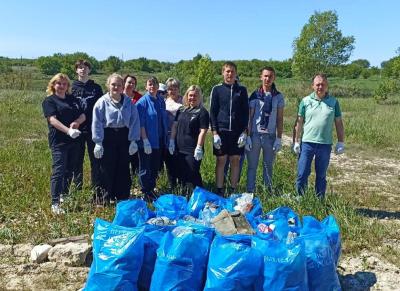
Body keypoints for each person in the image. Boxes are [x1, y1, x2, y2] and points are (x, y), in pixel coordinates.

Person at [92, 73, 140, 205]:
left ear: (122, 87)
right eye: (113, 84)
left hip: (124, 136)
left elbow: (135, 121)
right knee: (106, 167)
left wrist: (134, 140)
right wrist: (98, 142)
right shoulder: (101, 102)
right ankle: (103, 198)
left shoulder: (129, 103)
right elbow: (97, 122)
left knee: (123, 166)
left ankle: (121, 196)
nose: (116, 87)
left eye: (119, 85)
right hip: (107, 136)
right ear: (108, 85)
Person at [294, 73, 345, 197]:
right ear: (313, 86)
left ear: (327, 86)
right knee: (302, 173)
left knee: (321, 175)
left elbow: (338, 122)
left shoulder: (333, 102)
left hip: (325, 144)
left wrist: (341, 141)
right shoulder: (305, 101)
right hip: (307, 143)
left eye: (323, 84)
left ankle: (319, 200)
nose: (320, 87)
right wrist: (296, 141)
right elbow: (299, 122)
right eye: (317, 84)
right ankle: (300, 198)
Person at [42, 73, 85, 214]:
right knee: (59, 170)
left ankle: (63, 195)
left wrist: (77, 122)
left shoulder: (72, 99)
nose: (61, 86)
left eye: (64, 84)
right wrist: (68, 131)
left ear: (68, 86)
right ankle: (54, 202)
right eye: (58, 83)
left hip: (74, 140)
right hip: (59, 141)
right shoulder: (49, 101)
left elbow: (83, 114)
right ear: (53, 85)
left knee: (70, 169)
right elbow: (52, 120)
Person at [210, 61, 249, 196]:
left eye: (232, 71)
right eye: (227, 71)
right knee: (221, 160)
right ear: (223, 73)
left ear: (236, 73)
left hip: (237, 133)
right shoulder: (217, 89)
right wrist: (214, 133)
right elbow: (213, 112)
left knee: (235, 160)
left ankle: (233, 190)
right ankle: (219, 190)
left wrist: (244, 132)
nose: (230, 74)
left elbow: (245, 113)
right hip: (221, 132)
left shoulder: (242, 90)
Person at [245, 66, 285, 194]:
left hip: (270, 136)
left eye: (270, 76)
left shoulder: (278, 97)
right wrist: (248, 136)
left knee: (268, 167)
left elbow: (279, 118)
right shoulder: (255, 95)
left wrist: (279, 138)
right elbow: (250, 117)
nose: (267, 79)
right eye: (265, 76)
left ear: (274, 78)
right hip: (255, 135)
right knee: (252, 166)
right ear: (261, 77)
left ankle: (267, 192)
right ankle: (250, 192)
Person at [71, 60, 103, 191]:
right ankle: (77, 189)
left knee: (96, 160)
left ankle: (97, 189)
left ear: (89, 70)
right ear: (76, 70)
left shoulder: (96, 88)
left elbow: (102, 108)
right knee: (76, 161)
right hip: (77, 129)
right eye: (79, 67)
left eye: (85, 67)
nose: (82, 70)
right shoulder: (72, 87)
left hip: (93, 128)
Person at [169, 85, 209, 189]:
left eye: (195, 95)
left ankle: (199, 196)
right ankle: (184, 196)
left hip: (192, 149)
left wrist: (199, 147)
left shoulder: (202, 112)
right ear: (186, 96)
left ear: (199, 97)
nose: (192, 98)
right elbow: (174, 126)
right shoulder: (181, 109)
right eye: (190, 95)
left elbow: (203, 131)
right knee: (182, 174)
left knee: (192, 174)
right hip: (179, 148)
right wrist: (172, 141)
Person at [136, 76, 168, 202]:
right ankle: (145, 192)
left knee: (155, 166)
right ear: (146, 86)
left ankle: (152, 189)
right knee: (145, 167)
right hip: (146, 141)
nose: (152, 87)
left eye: (154, 84)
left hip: (159, 140)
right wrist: (144, 140)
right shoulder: (142, 103)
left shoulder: (160, 100)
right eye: (149, 84)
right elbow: (141, 123)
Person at [164, 78, 183, 189]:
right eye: (170, 89)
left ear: (178, 89)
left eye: (175, 88)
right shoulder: (164, 102)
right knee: (170, 162)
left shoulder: (183, 101)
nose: (172, 91)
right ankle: (172, 186)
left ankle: (182, 184)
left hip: (181, 135)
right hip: (168, 135)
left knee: (180, 161)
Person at [123, 74, 143, 181]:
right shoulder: (119, 96)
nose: (131, 85)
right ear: (124, 83)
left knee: (136, 159)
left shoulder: (139, 98)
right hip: (122, 132)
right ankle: (125, 180)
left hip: (136, 132)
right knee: (123, 159)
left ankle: (136, 181)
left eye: (133, 83)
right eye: (129, 82)